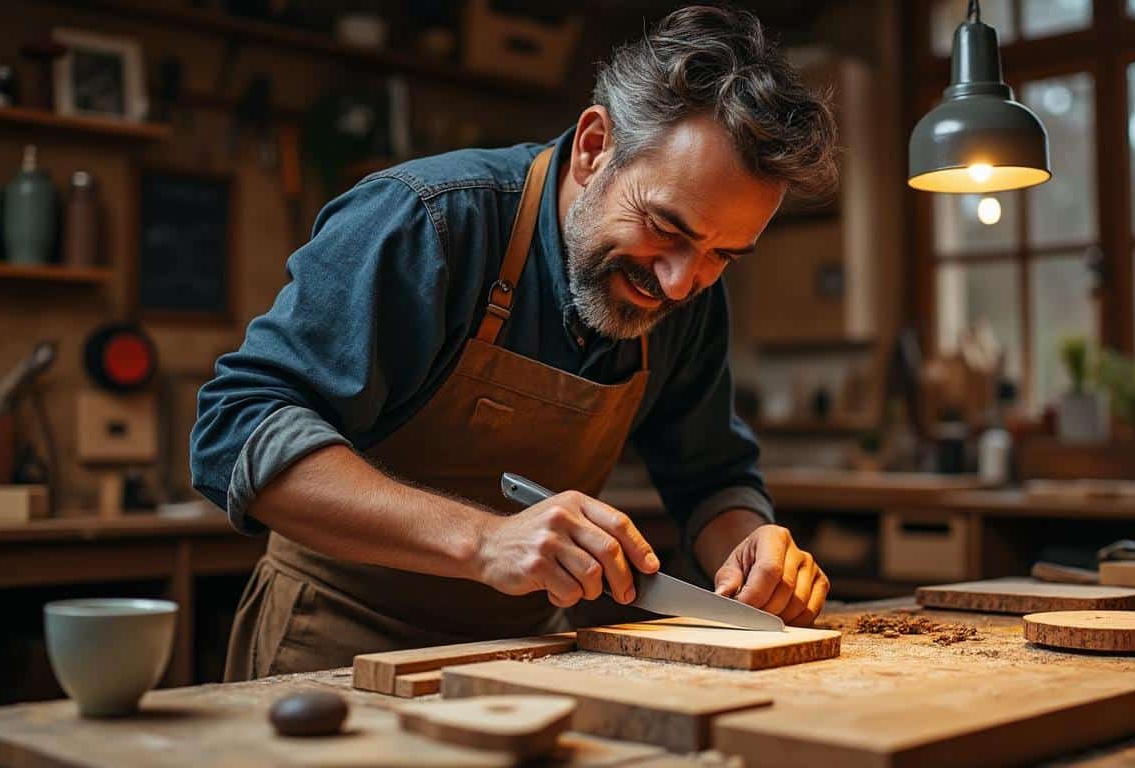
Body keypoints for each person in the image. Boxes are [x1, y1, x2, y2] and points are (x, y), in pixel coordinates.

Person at [190, 5, 839, 681]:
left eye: (723, 255)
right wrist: (485, 541)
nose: (680, 283)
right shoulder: (429, 223)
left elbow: (709, 475)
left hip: (528, 658)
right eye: (665, 226)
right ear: (594, 148)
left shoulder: (687, 297)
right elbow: (235, 429)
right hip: (335, 643)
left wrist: (750, 547)